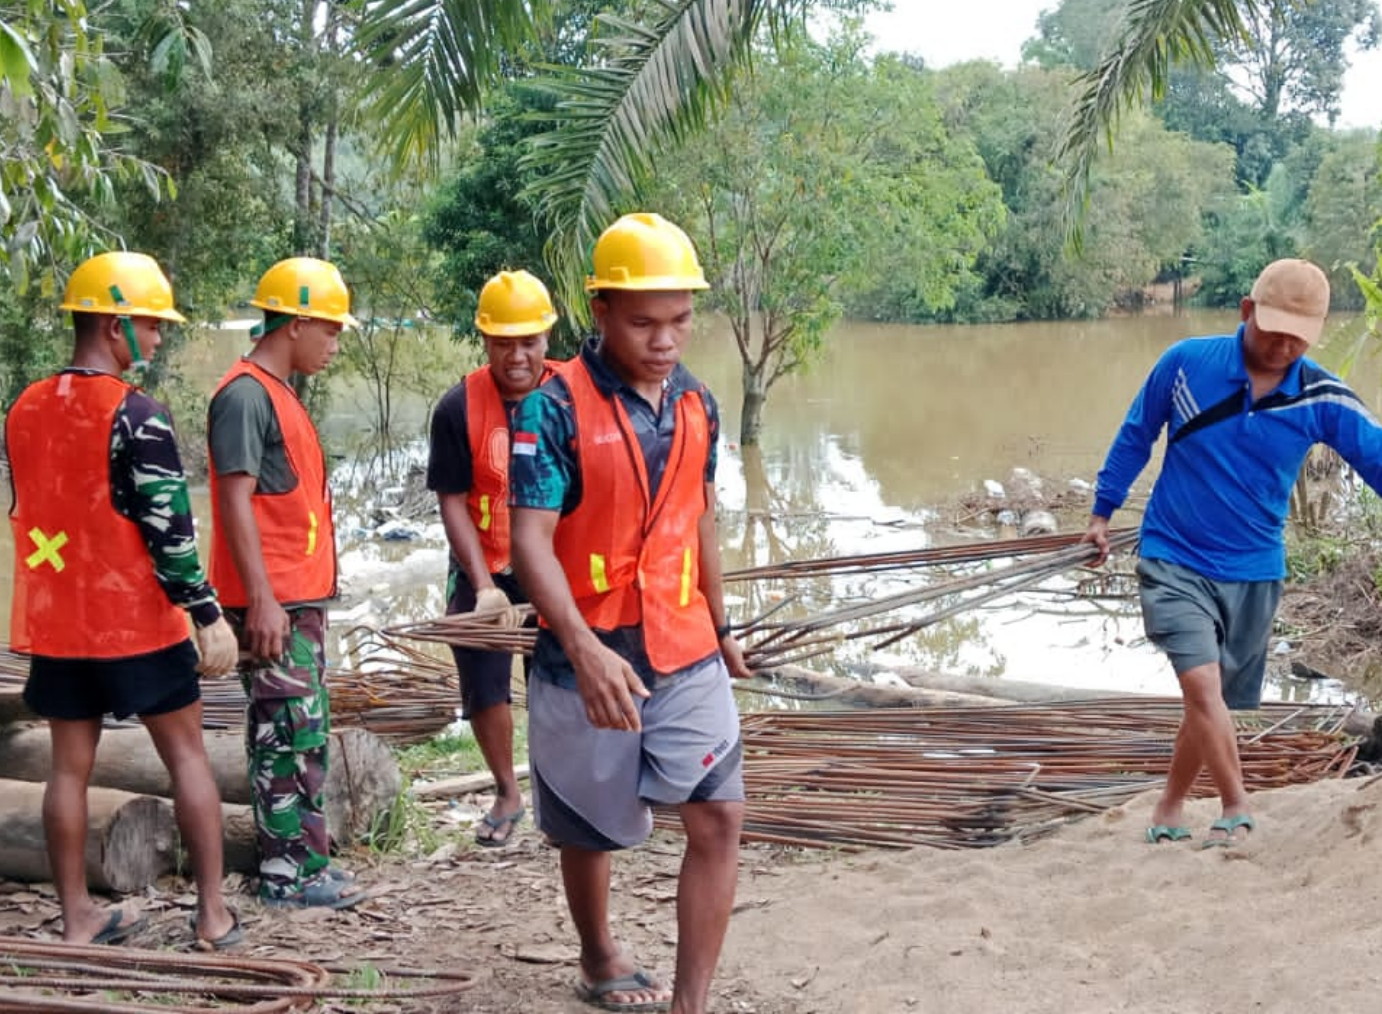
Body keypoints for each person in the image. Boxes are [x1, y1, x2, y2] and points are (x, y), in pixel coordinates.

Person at [510, 213, 752, 1014]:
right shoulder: (550, 411)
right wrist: (580, 647)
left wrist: (720, 626)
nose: (665, 340)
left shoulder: (698, 406)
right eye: (644, 322)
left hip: (682, 649)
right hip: (585, 658)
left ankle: (690, 1005)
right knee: (590, 829)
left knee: (717, 815)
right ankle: (598, 951)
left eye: (680, 320)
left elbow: (699, 519)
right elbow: (529, 543)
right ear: (602, 312)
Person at [1083, 258, 1382, 848]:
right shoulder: (1186, 365)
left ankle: (1169, 804)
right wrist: (1101, 512)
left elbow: (1377, 459)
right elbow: (1136, 433)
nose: (1284, 345)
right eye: (1274, 330)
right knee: (1201, 688)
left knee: (1209, 702)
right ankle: (1235, 803)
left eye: (1299, 336)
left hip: (1253, 571)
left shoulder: (1321, 396)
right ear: (1246, 311)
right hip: (1174, 556)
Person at [6, 251, 241, 948]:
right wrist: (205, 612)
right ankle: (211, 915)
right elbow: (169, 532)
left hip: (56, 623)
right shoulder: (139, 417)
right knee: (189, 759)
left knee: (67, 770)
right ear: (115, 326)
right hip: (136, 623)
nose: (160, 338)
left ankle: (78, 915)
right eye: (151, 324)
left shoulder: (23, 408)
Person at [206, 256, 363, 909]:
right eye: (328, 330)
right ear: (295, 323)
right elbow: (234, 501)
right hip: (271, 601)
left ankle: (309, 861)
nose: (334, 343)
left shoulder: (279, 393)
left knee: (304, 726)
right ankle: (282, 873)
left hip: (299, 598)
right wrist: (261, 599)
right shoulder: (244, 395)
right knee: (281, 729)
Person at [426, 269, 559, 846]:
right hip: (487, 569)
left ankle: (562, 791)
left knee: (561, 681)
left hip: (556, 570)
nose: (518, 354)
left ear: (547, 339)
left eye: (528, 340)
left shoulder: (571, 400)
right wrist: (483, 585)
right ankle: (508, 791)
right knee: (484, 686)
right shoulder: (457, 407)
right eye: (504, 341)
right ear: (485, 341)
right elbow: (452, 501)